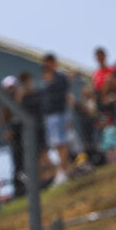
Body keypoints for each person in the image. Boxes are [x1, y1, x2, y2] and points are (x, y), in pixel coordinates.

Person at [39, 53, 72, 185]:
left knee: (61, 143)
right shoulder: (45, 80)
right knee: (57, 145)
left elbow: (62, 92)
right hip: (49, 116)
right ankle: (63, 171)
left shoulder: (59, 77)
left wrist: (51, 80)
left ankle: (63, 171)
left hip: (59, 114)